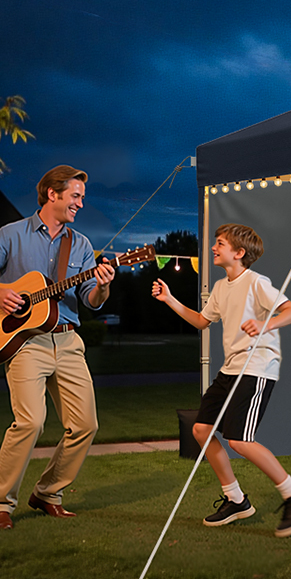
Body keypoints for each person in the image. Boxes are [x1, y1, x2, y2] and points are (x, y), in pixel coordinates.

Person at [152, 223, 291, 537]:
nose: (213, 248)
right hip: (231, 369)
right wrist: (170, 300)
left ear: (239, 253)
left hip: (256, 368)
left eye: (220, 243)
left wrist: (265, 324)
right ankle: (237, 500)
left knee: (240, 440)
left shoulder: (257, 282)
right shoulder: (220, 287)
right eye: (215, 243)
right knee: (201, 429)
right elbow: (202, 321)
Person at [0, 165, 116, 530]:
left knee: (85, 424)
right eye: (76, 196)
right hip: (24, 343)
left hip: (67, 339)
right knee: (30, 422)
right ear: (53, 193)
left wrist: (103, 284)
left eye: (82, 197)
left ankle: (48, 493)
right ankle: (1, 502)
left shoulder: (79, 244)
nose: (81, 203)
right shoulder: (10, 234)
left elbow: (91, 299)